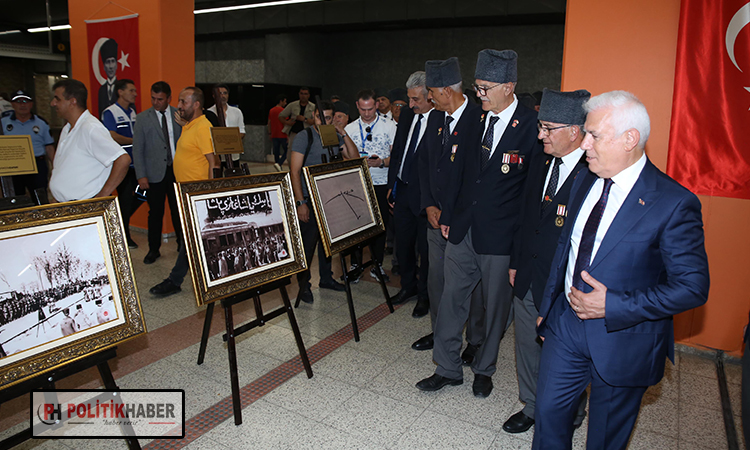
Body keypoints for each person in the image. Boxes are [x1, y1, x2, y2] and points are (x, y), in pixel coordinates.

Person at [532, 91, 710, 450]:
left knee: (604, 437)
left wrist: (612, 305)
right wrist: (548, 309)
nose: (585, 145)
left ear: (630, 139)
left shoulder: (673, 203)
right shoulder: (584, 179)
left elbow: (692, 286)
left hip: (624, 338)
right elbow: (566, 251)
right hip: (566, 325)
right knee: (548, 415)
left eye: (595, 135)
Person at [417, 49, 542, 399]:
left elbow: (531, 195)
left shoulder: (532, 128)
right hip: (464, 230)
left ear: (509, 86)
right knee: (451, 299)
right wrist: (451, 217)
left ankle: (484, 369)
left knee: (495, 309)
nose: (479, 94)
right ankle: (446, 368)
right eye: (477, 86)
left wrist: (521, 248)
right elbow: (462, 175)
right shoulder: (476, 119)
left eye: (486, 88)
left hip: (502, 238)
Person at [503, 88, 591, 434]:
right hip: (527, 271)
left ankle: (570, 411)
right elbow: (525, 215)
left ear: (574, 131)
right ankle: (533, 405)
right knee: (526, 344)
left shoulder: (593, 171)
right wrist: (515, 261)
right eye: (540, 126)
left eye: (548, 128)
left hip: (566, 282)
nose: (539, 135)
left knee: (566, 355)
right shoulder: (540, 159)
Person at [412, 57, 484, 362]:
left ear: (446, 90)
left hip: (465, 222)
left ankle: (476, 341)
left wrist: (453, 215)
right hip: (435, 217)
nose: (428, 97)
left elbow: (475, 178)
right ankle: (442, 334)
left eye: (431, 91)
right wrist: (429, 204)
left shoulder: (479, 119)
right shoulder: (435, 119)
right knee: (438, 280)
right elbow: (425, 165)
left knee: (472, 289)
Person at [149, 87, 219, 297]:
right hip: (187, 194)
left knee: (191, 240)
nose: (178, 106)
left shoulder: (203, 127)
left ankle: (175, 280)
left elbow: (213, 163)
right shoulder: (192, 126)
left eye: (183, 102)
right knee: (194, 240)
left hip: (197, 196)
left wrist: (207, 196)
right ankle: (194, 278)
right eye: (179, 102)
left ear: (196, 104)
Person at [289, 101, 355, 303]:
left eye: (328, 118)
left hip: (329, 199)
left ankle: (326, 278)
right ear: (313, 116)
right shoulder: (304, 137)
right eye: (320, 117)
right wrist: (301, 202)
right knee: (307, 246)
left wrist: (342, 132)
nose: (323, 121)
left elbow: (353, 157)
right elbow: (294, 171)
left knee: (327, 243)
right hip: (309, 198)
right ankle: (304, 285)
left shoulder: (333, 135)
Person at [386, 71, 434, 318]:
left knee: (425, 251)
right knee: (403, 245)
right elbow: (398, 154)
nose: (410, 104)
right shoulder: (406, 115)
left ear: (430, 97)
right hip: (402, 191)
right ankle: (407, 286)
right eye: (409, 98)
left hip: (425, 199)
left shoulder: (440, 120)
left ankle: (424, 296)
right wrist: (393, 186)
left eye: (416, 99)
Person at [344, 89, 397, 281]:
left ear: (376, 105)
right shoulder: (349, 129)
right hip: (357, 184)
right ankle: (356, 265)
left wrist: (381, 162)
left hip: (381, 182)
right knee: (356, 226)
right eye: (363, 109)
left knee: (380, 225)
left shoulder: (389, 126)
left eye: (370, 109)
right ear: (357, 106)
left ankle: (378, 264)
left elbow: (396, 157)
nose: (367, 113)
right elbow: (343, 157)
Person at [48, 79, 130, 202]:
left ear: (72, 102)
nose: (53, 103)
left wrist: (101, 197)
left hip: (84, 205)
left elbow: (123, 159)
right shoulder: (67, 128)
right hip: (66, 205)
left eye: (57, 99)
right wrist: (57, 194)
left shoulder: (90, 128)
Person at [132, 81, 183, 265]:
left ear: (168, 98)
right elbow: (137, 149)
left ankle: (182, 245)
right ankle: (154, 249)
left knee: (179, 211)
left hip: (177, 171)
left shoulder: (179, 115)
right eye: (153, 98)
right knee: (155, 213)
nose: (156, 102)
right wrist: (141, 175)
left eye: (160, 99)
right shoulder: (143, 118)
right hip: (154, 174)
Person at [102, 79, 141, 248]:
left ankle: (119, 219)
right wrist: (135, 140)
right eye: (131, 90)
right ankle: (124, 235)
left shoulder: (133, 112)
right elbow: (111, 135)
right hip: (121, 164)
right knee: (125, 199)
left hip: (136, 164)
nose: (135, 93)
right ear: (120, 92)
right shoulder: (110, 112)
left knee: (143, 194)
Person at [1, 90, 55, 197]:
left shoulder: (41, 123)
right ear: (12, 104)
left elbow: (49, 146)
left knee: (40, 197)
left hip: (37, 165)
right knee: (15, 199)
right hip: (13, 167)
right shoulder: (2, 123)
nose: (22, 105)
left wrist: (55, 167)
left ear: (31, 104)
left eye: (25, 101)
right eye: (18, 102)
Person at [208, 83, 245, 165]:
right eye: (220, 93)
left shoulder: (236, 112)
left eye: (225, 93)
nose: (223, 96)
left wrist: (229, 142)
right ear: (214, 95)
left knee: (234, 177)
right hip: (216, 157)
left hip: (234, 156)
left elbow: (242, 131)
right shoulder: (209, 113)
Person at [97, 38, 119, 118]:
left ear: (116, 65)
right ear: (103, 67)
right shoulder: (101, 90)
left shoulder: (121, 88)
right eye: (107, 62)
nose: (110, 67)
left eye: (112, 61)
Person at [268, 94, 289, 166]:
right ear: (281, 101)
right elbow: (286, 123)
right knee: (287, 150)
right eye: (285, 101)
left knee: (276, 151)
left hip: (274, 134)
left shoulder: (271, 110)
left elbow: (269, 122)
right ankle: (279, 163)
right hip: (282, 134)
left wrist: (270, 133)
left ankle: (277, 163)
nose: (285, 103)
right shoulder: (284, 111)